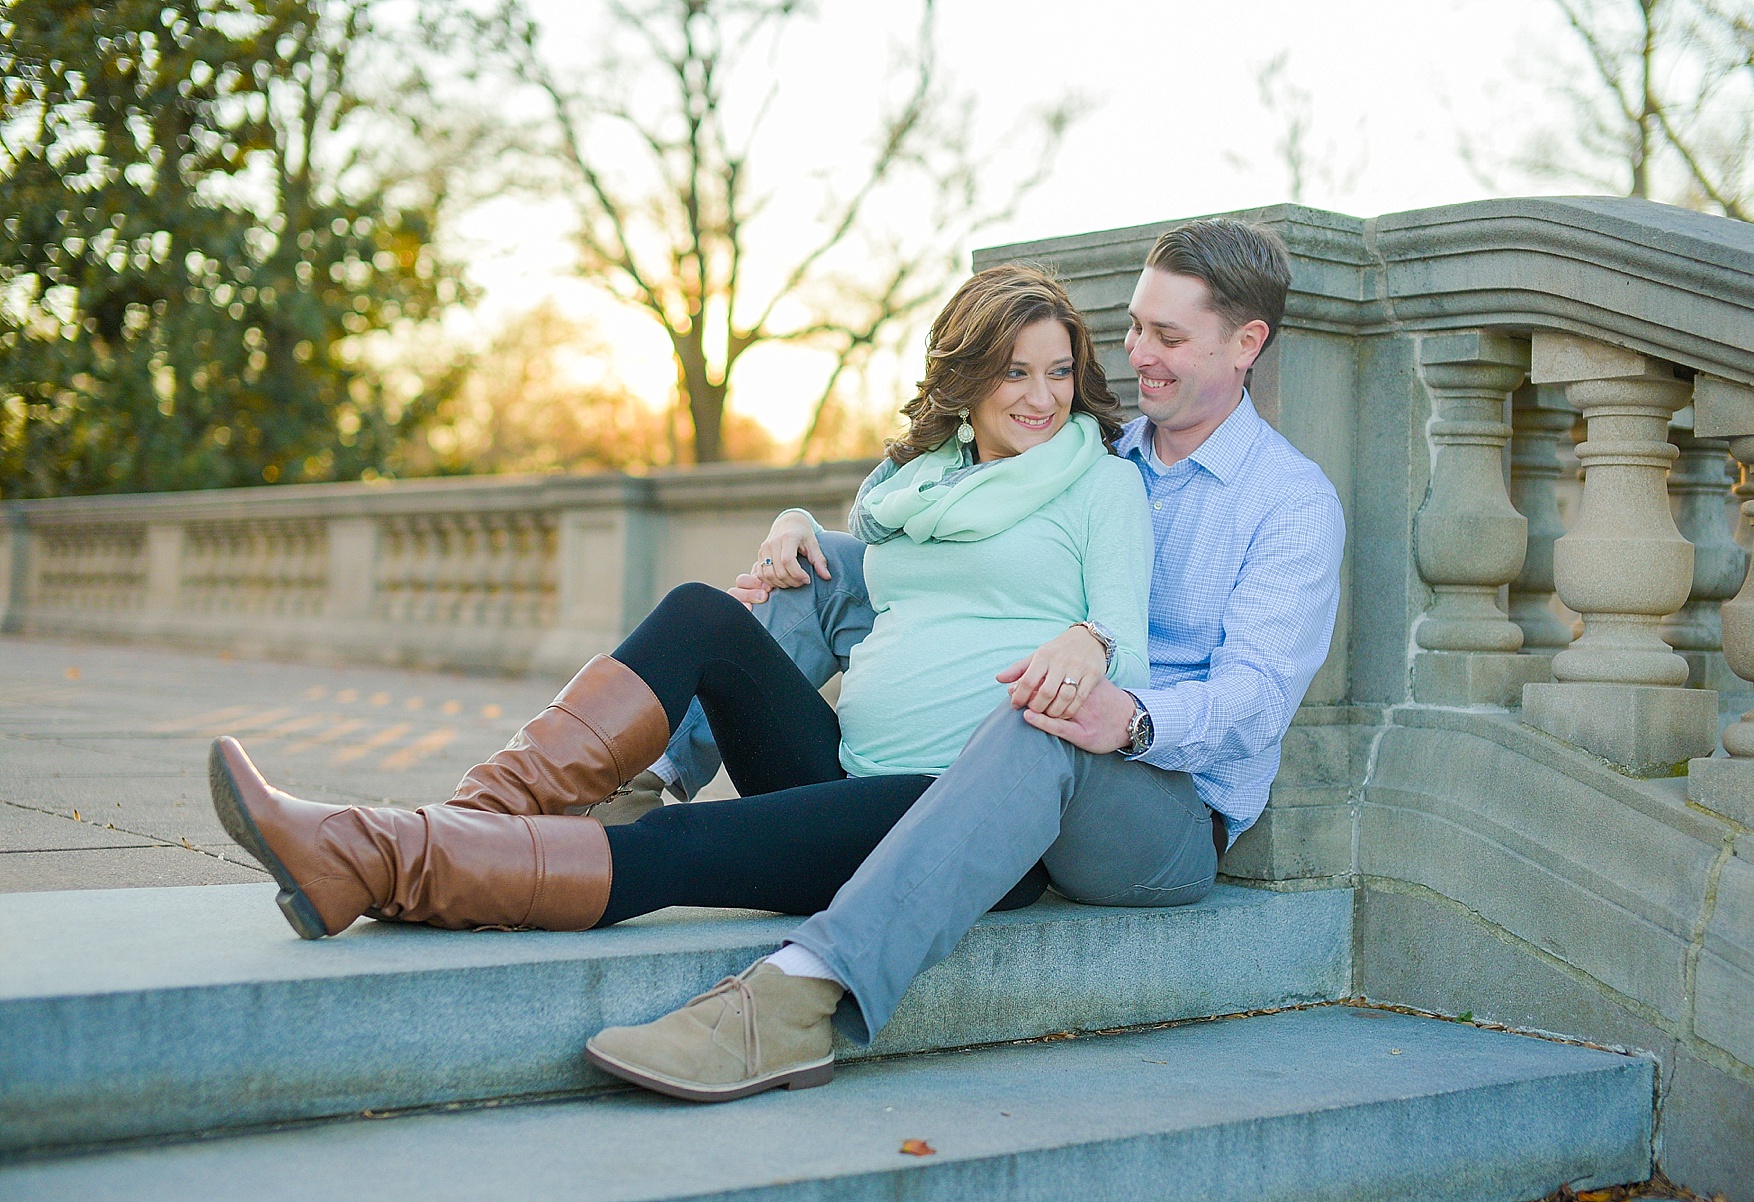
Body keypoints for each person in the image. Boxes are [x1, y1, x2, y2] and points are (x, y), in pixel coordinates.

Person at [208, 267, 1153, 1020]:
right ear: (965, 375)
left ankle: (374, 857)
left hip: (954, 821)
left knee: (674, 837)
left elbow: (1125, 654)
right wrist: (797, 524)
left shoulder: (1097, 487)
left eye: (1059, 371)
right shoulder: (921, 490)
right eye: (1014, 370)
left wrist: (1088, 637)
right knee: (704, 612)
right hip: (841, 774)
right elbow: (864, 574)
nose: (1040, 397)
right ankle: (470, 825)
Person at [582, 217, 1347, 1102]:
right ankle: (627, 782)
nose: (1138, 354)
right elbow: (947, 572)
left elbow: (1255, 700)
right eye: (1135, 327)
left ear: (1247, 342)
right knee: (794, 590)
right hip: (1013, 768)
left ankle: (794, 1002)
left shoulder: (1289, 503)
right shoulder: (1094, 454)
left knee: (1049, 713)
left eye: (1168, 336)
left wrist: (1129, 717)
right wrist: (807, 533)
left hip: (1165, 817)